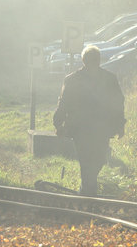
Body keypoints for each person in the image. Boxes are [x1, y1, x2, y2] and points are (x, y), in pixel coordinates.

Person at [53, 44, 125, 196]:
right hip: (84, 128)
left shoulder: (108, 79)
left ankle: (86, 189)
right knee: (91, 159)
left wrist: (58, 123)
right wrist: (58, 123)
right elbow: (118, 103)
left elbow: (117, 102)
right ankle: (88, 191)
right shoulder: (73, 79)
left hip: (98, 128)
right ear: (86, 61)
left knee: (96, 159)